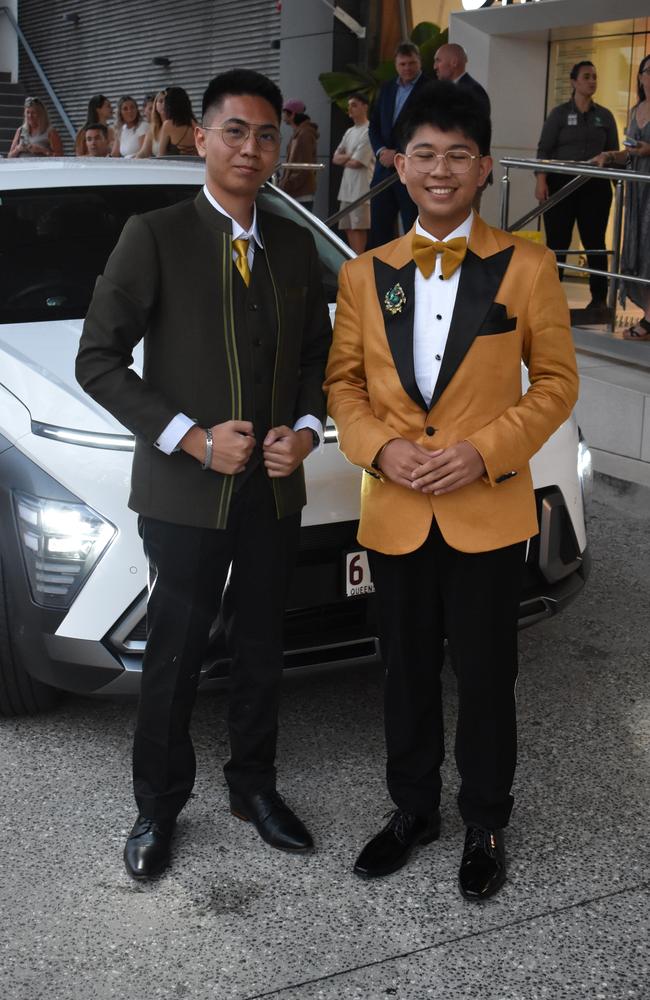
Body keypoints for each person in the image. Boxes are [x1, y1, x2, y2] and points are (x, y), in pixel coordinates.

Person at [324, 81, 578, 901]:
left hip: (487, 507)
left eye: (457, 155)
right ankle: (412, 812)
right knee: (401, 672)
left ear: (484, 167)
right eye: (424, 154)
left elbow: (557, 385)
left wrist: (484, 453)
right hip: (395, 511)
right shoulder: (367, 274)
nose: (440, 171)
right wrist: (379, 452)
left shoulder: (527, 266)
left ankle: (485, 819)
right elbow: (343, 385)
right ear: (398, 164)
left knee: (486, 674)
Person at [76, 68, 331, 882]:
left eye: (265, 136)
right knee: (177, 653)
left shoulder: (292, 243)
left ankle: (253, 788)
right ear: (200, 137)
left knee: (261, 647)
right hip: (185, 493)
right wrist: (190, 438)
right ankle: (157, 807)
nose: (251, 149)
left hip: (272, 489)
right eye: (235, 132)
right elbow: (98, 360)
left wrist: (307, 428)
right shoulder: (156, 235)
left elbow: (318, 359)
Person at [535, 61, 619, 323]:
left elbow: (615, 153)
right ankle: (550, 299)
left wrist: (619, 188)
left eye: (595, 77)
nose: (592, 81)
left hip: (594, 186)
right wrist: (541, 180)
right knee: (557, 243)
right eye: (586, 77)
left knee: (594, 243)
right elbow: (544, 150)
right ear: (573, 82)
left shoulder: (604, 116)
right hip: (561, 184)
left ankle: (598, 299)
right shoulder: (559, 114)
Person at [591, 54, 650, 340]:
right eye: (648, 71)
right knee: (636, 246)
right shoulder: (635, 110)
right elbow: (630, 149)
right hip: (637, 189)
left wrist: (647, 151)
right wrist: (613, 154)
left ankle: (649, 321)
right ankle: (648, 314)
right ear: (640, 77)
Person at [368, 42, 429, 248]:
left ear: (419, 62)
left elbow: (429, 128)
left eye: (412, 63)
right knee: (379, 229)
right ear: (396, 64)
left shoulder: (431, 88)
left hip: (411, 169)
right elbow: (374, 125)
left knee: (414, 226)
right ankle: (383, 274)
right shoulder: (386, 88)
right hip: (383, 169)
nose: (407, 68)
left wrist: (401, 153)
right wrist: (381, 151)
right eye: (403, 64)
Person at [332, 93, 374, 254]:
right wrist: (350, 155)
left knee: (358, 228)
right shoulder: (350, 131)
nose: (350, 108)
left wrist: (346, 157)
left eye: (354, 105)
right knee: (348, 227)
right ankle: (354, 260)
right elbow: (335, 158)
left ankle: (359, 262)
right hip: (346, 189)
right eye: (349, 105)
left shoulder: (369, 130)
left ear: (365, 107)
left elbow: (357, 163)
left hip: (361, 189)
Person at [278, 99, 319, 212]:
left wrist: (285, 186)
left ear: (292, 114)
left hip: (300, 194)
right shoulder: (299, 133)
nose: (283, 116)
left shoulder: (304, 134)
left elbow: (303, 166)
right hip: (296, 193)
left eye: (285, 113)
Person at [433, 43, 490, 116]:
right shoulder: (443, 90)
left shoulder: (473, 91)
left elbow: (477, 124)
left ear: (454, 62)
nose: (434, 67)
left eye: (438, 60)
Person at [157, 86, 198, 156]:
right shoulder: (194, 124)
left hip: (175, 166)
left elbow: (161, 154)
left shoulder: (168, 125)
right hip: (194, 165)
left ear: (170, 104)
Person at [136, 88, 168, 158]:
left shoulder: (175, 125)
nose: (164, 104)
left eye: (167, 101)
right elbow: (144, 152)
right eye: (160, 101)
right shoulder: (153, 128)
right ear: (155, 106)